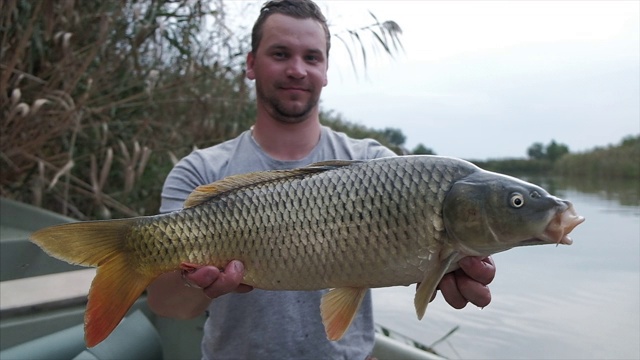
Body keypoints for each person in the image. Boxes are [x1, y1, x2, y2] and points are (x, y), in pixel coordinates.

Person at [146, 0, 496, 358]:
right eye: (280, 54)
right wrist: (198, 284)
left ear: (326, 70)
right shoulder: (200, 171)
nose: (297, 70)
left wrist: (448, 268)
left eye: (311, 58)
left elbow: (421, 247)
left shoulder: (375, 165)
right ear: (251, 64)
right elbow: (164, 303)